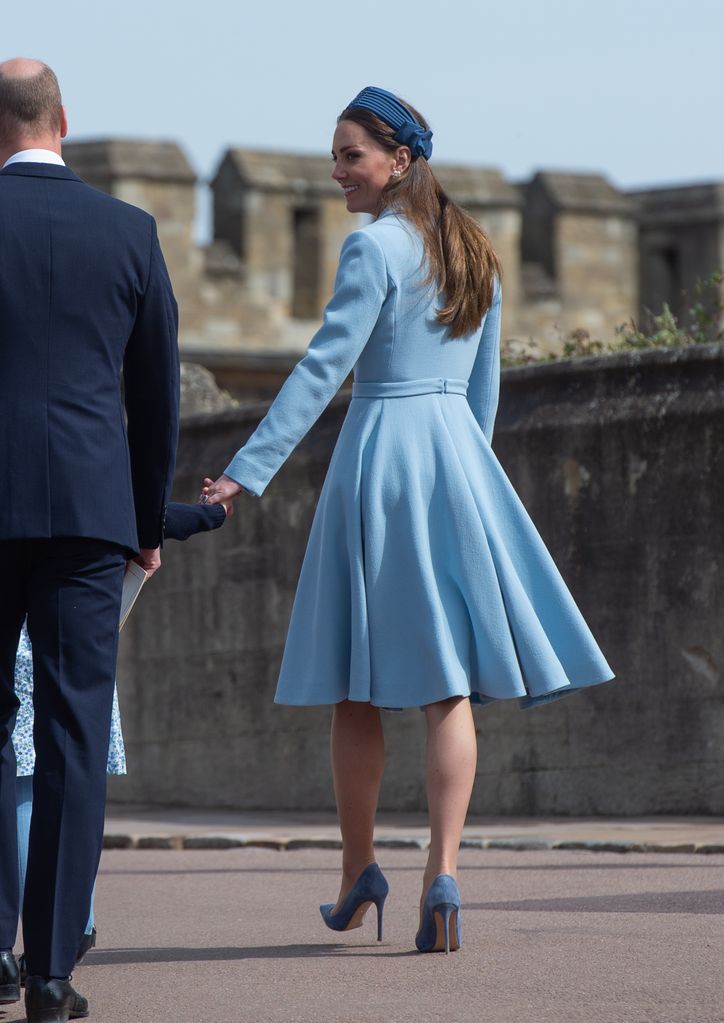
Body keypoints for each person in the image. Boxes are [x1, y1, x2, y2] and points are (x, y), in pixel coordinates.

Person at [202, 86, 614, 954]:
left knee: (355, 684)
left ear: (400, 160)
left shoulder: (373, 249)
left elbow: (323, 370)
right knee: (446, 685)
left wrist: (245, 473)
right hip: (456, 461)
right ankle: (445, 871)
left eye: (351, 155)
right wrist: (471, 484)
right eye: (334, 157)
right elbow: (484, 395)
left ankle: (359, 871)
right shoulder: (476, 254)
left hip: (380, 459)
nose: (337, 172)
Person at [0, 58, 180, 1022]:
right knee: (70, 736)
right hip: (85, 512)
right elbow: (157, 398)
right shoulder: (131, 231)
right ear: (63, 121)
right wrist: (144, 525)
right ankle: (52, 970)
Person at [11, 499, 229, 986]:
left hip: (13, 651)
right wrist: (212, 511)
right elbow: (147, 515)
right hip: (65, 647)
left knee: (20, 790)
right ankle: (72, 927)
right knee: (65, 783)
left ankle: (7, 948)